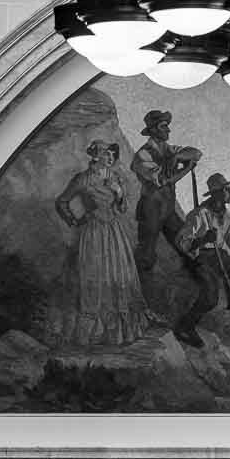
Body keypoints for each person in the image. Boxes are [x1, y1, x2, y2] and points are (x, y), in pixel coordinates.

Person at [52, 140, 151, 345]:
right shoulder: (83, 179)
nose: (110, 157)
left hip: (115, 233)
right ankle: (91, 334)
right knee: (93, 275)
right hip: (93, 233)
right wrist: (75, 220)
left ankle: (117, 333)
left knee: (119, 274)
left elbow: (123, 209)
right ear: (95, 156)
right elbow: (61, 202)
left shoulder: (115, 177)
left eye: (111, 154)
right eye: (106, 153)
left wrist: (119, 192)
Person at [174, 172, 230, 349]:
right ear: (217, 193)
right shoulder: (199, 214)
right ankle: (184, 327)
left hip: (220, 256)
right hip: (201, 258)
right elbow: (181, 242)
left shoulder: (227, 216)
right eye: (227, 190)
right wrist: (202, 240)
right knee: (210, 297)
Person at [129, 109, 201, 279]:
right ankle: (139, 290)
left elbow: (197, 153)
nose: (168, 130)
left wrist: (177, 158)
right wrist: (187, 168)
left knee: (183, 243)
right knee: (146, 254)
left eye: (168, 126)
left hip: (167, 208)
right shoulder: (143, 154)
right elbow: (162, 181)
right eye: (163, 126)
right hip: (150, 209)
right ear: (153, 130)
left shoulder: (169, 150)